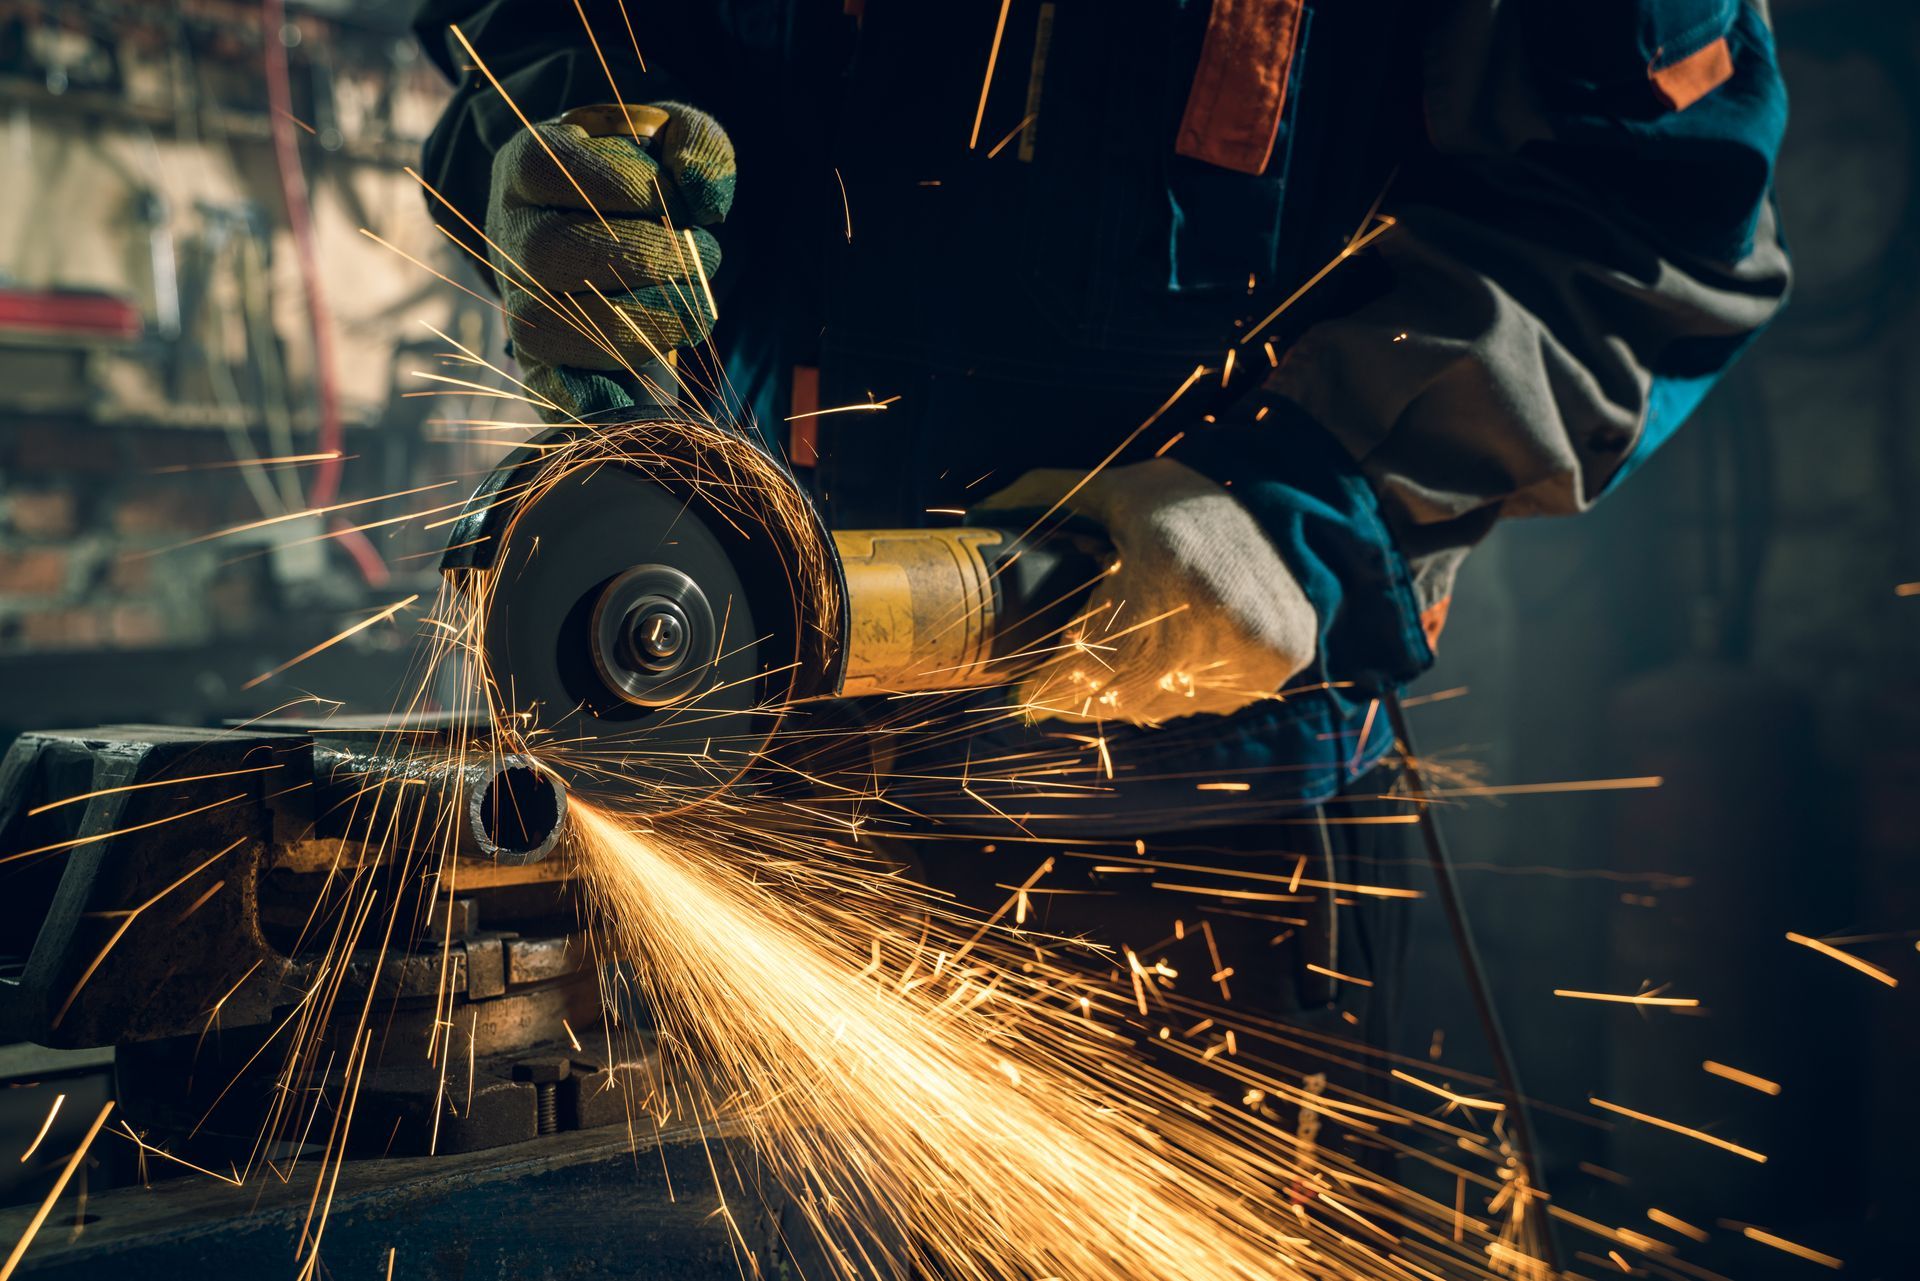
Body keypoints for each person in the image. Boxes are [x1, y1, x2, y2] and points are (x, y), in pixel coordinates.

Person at [413, 0, 1788, 1148]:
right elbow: (527, 19)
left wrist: (1304, 494)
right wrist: (564, 128)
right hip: (731, 756)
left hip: (1189, 835)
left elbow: (1654, 218)